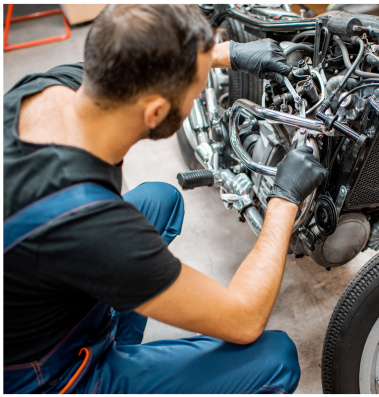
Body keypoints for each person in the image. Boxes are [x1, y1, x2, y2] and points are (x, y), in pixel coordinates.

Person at [4, 4, 327, 394]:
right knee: (275, 358)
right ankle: (110, 372)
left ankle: (122, 348)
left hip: (35, 296)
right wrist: (284, 197)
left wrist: (231, 55)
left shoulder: (48, 90)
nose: (196, 100)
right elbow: (243, 319)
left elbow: (132, 53)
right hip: (47, 374)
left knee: (161, 200)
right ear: (155, 111)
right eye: (194, 93)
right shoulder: (92, 224)